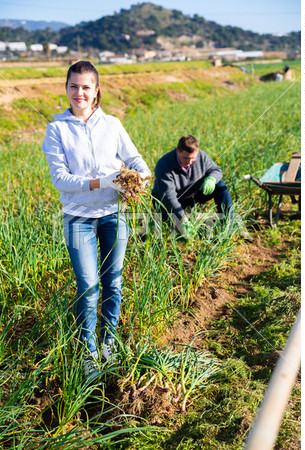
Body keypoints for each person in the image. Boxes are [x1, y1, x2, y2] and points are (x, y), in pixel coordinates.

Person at [42, 60, 151, 379]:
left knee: (113, 282)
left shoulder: (113, 125)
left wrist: (141, 176)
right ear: (66, 89)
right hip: (78, 220)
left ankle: (109, 342)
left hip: (113, 216)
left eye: (86, 87)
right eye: (73, 86)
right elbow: (60, 179)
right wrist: (99, 182)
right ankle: (88, 351)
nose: (80, 92)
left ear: (96, 91)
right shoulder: (56, 129)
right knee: (88, 285)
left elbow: (134, 159)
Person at [152, 135, 233, 235]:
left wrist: (211, 179)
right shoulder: (164, 164)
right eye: (185, 158)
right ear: (178, 151)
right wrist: (182, 219)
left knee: (220, 186)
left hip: (192, 195)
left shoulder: (201, 156)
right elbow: (169, 197)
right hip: (167, 202)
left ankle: (229, 224)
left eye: (192, 159)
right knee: (172, 232)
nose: (189, 162)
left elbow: (216, 170)